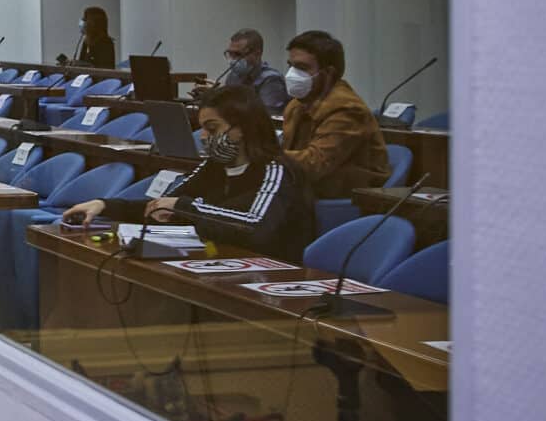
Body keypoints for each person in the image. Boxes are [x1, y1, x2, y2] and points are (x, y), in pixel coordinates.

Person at [60, 85, 314, 263]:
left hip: (269, 270)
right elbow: (161, 208)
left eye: (212, 128)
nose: (203, 137)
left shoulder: (277, 170)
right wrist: (104, 205)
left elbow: (256, 226)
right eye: (202, 129)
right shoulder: (213, 166)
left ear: (243, 129)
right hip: (215, 260)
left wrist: (187, 208)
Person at [280, 30, 390, 199]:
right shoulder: (296, 104)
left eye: (302, 67)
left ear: (329, 73)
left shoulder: (347, 109)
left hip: (348, 196)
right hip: (309, 187)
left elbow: (315, 164)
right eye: (291, 65)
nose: (292, 74)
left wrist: (264, 154)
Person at [198, 28, 289, 114]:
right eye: (230, 54)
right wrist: (211, 96)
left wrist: (223, 96)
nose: (233, 60)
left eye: (238, 54)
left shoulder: (271, 79)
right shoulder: (233, 76)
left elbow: (267, 117)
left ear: (257, 54)